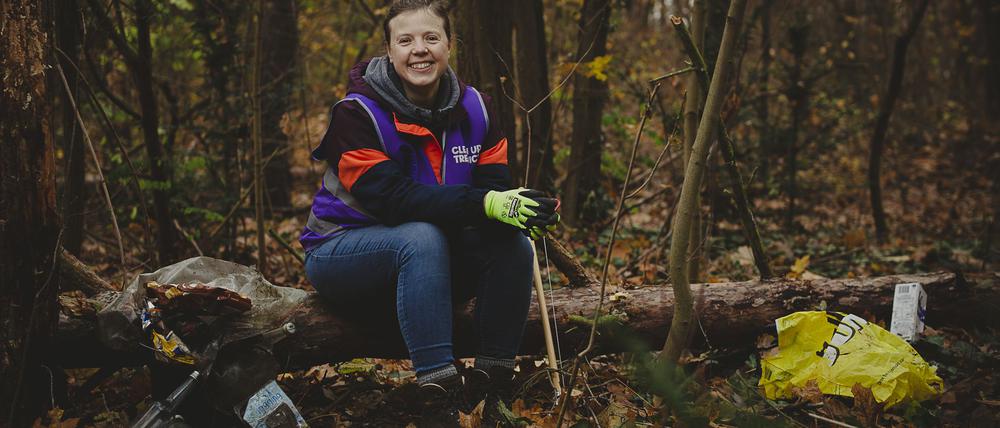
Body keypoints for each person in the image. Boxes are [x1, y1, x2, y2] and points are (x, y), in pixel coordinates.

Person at [299, 0, 559, 424]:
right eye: (406, 40)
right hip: (339, 254)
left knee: (512, 243)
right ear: (389, 50)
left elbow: (492, 190)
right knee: (421, 236)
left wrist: (526, 209)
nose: (419, 49)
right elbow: (394, 200)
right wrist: (485, 204)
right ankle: (439, 395)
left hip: (432, 257)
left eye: (430, 37)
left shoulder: (476, 107)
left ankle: (492, 388)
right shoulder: (354, 115)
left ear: (450, 46)